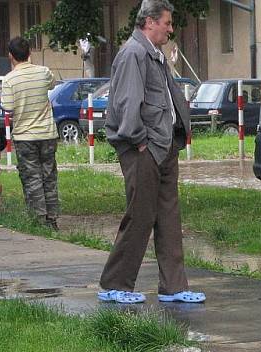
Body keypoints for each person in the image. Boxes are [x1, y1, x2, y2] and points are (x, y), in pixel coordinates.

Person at [98, 0, 204, 304]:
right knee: (140, 216)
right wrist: (139, 141)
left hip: (164, 145)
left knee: (169, 217)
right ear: (149, 22)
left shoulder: (153, 54)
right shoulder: (133, 53)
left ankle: (174, 287)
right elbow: (128, 102)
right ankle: (115, 285)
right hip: (143, 148)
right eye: (167, 23)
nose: (171, 29)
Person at [1, 37, 59, 229]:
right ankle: (52, 218)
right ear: (29, 54)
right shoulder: (43, 72)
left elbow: (7, 108)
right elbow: (52, 83)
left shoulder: (9, 80)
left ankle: (38, 219)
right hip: (48, 134)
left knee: (31, 176)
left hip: (25, 135)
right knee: (49, 174)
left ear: (10, 56)